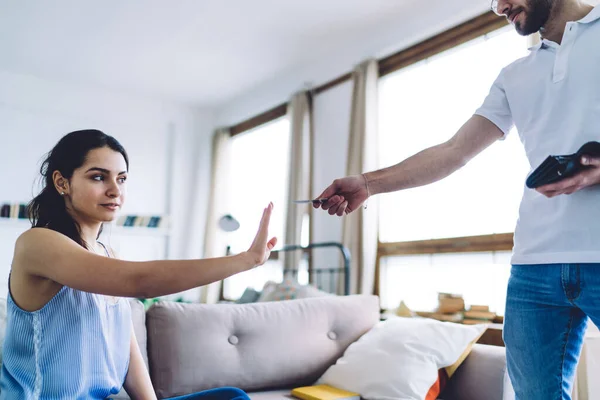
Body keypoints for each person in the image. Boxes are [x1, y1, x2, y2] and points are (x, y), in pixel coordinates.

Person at [314, 1, 600, 399]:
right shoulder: (515, 75)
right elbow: (453, 152)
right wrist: (369, 183)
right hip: (534, 269)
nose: (499, 7)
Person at [0, 129, 277, 400]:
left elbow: (128, 348)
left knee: (232, 396)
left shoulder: (108, 254)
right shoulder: (37, 243)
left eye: (121, 179)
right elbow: (139, 282)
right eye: (99, 177)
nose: (114, 190)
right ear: (62, 183)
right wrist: (246, 260)